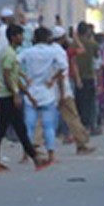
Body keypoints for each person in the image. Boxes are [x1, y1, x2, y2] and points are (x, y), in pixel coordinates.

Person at [0, 24, 50, 172]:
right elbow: (8, 75)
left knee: (6, 128)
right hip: (7, 96)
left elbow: (14, 77)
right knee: (16, 128)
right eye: (21, 35)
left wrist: (28, 94)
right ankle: (34, 158)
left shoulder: (10, 53)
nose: (23, 38)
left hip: (7, 95)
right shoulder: (9, 54)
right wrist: (15, 94)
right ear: (14, 37)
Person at [18, 26, 64, 163]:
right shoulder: (52, 52)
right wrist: (53, 79)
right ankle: (51, 155)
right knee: (48, 126)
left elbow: (13, 63)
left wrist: (24, 76)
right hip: (47, 91)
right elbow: (62, 67)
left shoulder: (28, 52)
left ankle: (26, 155)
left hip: (31, 91)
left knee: (29, 125)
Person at [48, 26, 95, 155]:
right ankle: (81, 143)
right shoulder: (63, 52)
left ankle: (34, 146)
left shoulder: (48, 51)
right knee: (72, 117)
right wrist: (63, 93)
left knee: (43, 119)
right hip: (62, 88)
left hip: (48, 89)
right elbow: (62, 72)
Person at [73, 22, 100, 134]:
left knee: (78, 103)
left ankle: (80, 126)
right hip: (89, 76)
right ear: (88, 32)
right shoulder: (93, 44)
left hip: (75, 77)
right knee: (89, 103)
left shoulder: (72, 45)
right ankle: (89, 125)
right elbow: (97, 58)